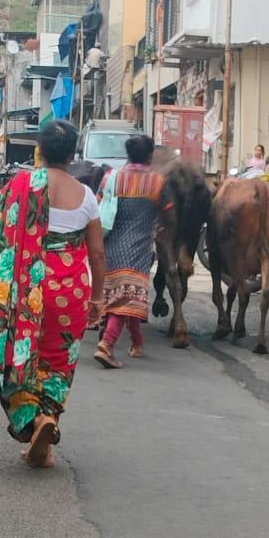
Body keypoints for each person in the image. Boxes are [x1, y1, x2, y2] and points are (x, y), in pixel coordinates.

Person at [0, 119, 106, 468]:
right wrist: (97, 299)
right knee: (58, 362)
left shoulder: (21, 184)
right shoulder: (87, 196)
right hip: (71, 292)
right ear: (73, 153)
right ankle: (47, 430)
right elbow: (97, 254)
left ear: (40, 150)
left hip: (26, 289)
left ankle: (34, 422)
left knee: (18, 357)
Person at [94, 133, 171, 369]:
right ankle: (106, 345)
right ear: (150, 156)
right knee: (127, 297)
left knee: (123, 295)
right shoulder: (157, 182)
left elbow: (97, 205)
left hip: (110, 246)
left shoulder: (111, 178)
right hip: (137, 249)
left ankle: (137, 343)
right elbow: (169, 213)